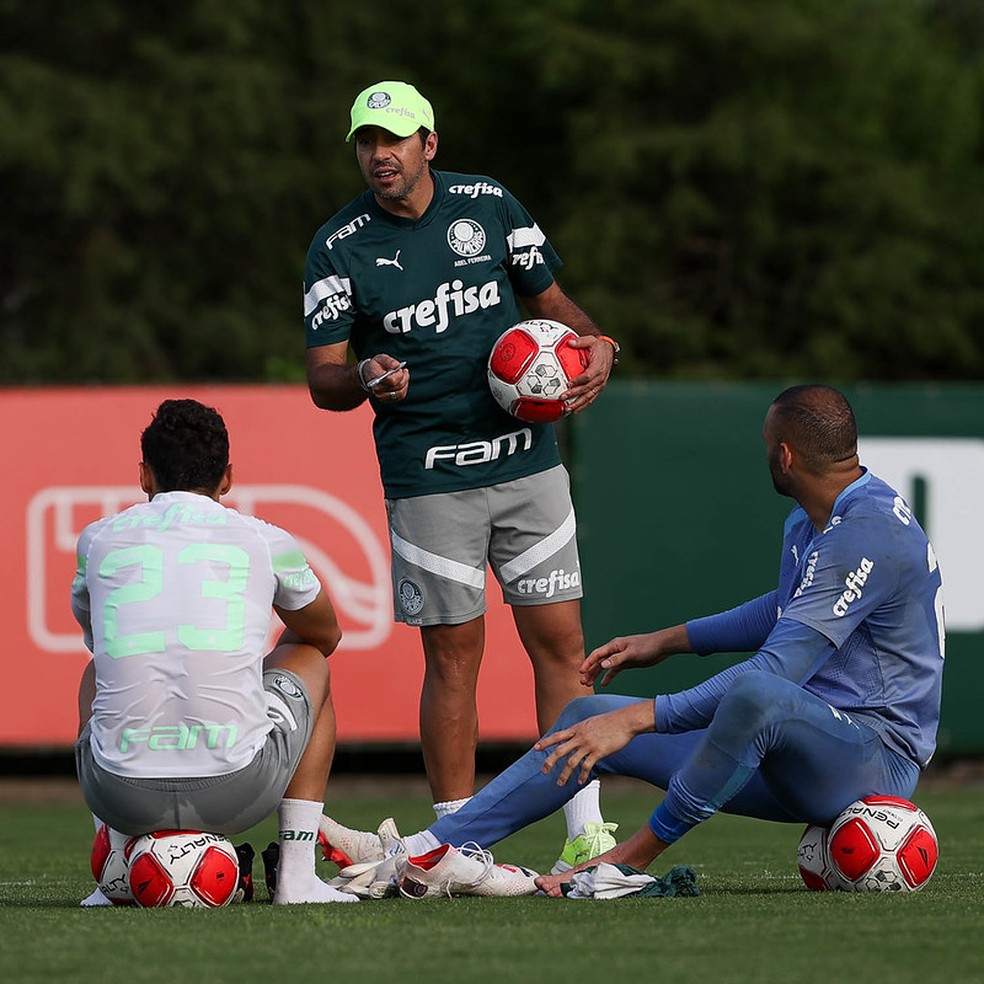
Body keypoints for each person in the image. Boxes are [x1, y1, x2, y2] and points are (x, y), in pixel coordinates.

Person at [321, 384, 945, 898]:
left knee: (755, 694)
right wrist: (665, 642)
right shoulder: (816, 517)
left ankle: (627, 862)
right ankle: (431, 852)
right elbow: (783, 612)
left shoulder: (866, 530)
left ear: (784, 457)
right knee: (587, 715)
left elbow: (778, 673)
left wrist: (643, 718)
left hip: (871, 760)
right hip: (790, 748)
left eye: (764, 447)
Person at [303, 79, 619, 871]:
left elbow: (554, 304)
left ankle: (585, 827)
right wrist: (365, 376)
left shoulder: (489, 203)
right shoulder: (338, 246)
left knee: (561, 643)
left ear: (428, 145)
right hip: (428, 475)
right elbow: (322, 379)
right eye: (367, 142)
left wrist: (601, 341)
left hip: (527, 465)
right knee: (453, 659)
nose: (379, 154)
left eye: (394, 139)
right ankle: (456, 840)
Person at [73, 399, 357, 905]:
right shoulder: (265, 539)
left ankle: (115, 865)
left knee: (97, 671)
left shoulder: (97, 539)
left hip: (118, 793)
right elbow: (326, 635)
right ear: (227, 478)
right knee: (311, 659)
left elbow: (99, 638)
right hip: (238, 790)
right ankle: (295, 876)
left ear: (144, 475)